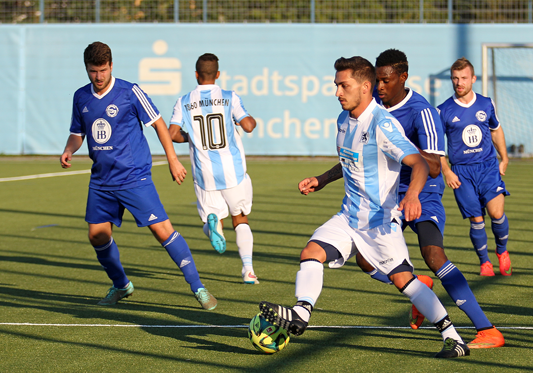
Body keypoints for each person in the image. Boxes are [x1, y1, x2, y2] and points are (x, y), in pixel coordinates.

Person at [259, 56, 470, 358]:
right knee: (311, 252)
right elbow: (351, 159)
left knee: (404, 281)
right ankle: (301, 314)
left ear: (365, 87)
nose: (338, 92)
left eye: (344, 86)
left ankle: (453, 337)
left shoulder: (384, 124)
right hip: (348, 216)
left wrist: (411, 196)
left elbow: (420, 164)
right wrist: (322, 179)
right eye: (336, 86)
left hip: (380, 222)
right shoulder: (344, 120)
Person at [354, 49, 504, 349]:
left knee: (434, 255)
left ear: (403, 77)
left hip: (425, 193)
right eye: (377, 81)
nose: (379, 87)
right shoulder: (373, 110)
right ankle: (416, 283)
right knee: (363, 257)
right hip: (388, 195)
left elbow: (434, 165)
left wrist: (398, 149)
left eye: (385, 81)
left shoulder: (422, 111)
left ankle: (487, 330)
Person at [60, 41, 217, 310]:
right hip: (101, 181)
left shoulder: (130, 92)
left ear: (111, 66)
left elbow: (157, 123)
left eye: (103, 70)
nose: (98, 77)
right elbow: (78, 132)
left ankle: (198, 287)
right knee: (96, 236)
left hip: (134, 177)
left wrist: (172, 160)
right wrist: (69, 149)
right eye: (92, 71)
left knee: (162, 230)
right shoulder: (81, 97)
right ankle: (121, 285)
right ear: (86, 68)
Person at [168, 53, 259, 284]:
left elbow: (171, 134)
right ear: (218, 75)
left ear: (196, 75)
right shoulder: (229, 97)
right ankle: (248, 270)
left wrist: (190, 137)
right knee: (240, 217)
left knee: (212, 217)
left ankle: (213, 224)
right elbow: (248, 126)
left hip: (204, 172)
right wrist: (243, 120)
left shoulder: (184, 100)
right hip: (232, 170)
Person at [438, 57, 512, 278]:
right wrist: (446, 170)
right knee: (476, 219)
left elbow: (496, 130)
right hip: (461, 171)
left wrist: (504, 157)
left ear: (473, 79)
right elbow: (436, 146)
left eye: (463, 78)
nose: (459, 82)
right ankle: (485, 262)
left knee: (496, 213)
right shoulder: (443, 110)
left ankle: (502, 251)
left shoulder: (486, 103)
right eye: (455, 78)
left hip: (488, 167)